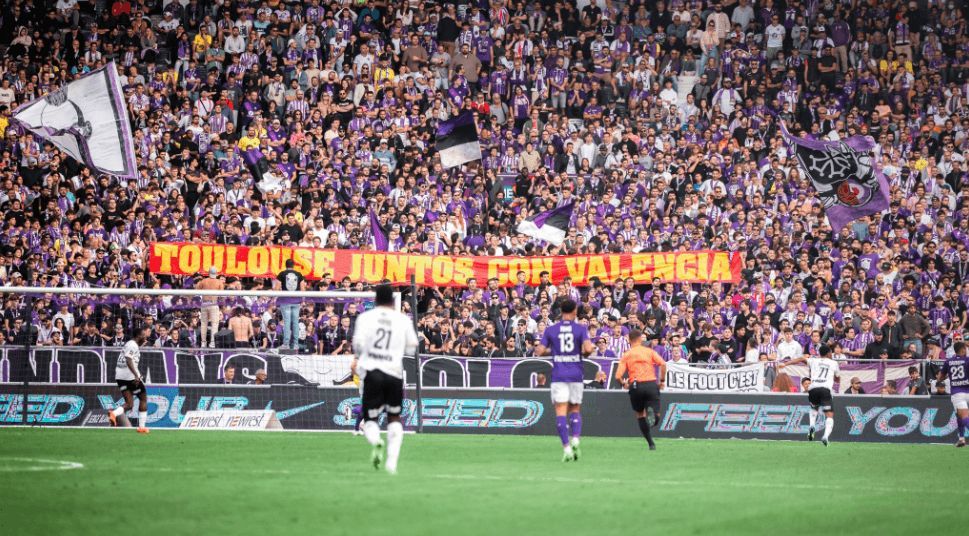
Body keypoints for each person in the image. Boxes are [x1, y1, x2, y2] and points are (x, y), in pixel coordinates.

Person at [352, 284, 419, 474]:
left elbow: (357, 345)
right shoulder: (402, 319)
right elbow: (412, 346)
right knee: (394, 417)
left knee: (370, 418)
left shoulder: (365, 318)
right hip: (394, 373)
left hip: (372, 372)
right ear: (392, 299)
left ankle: (376, 441)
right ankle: (392, 462)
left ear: (376, 299)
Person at [535, 299, 594, 462]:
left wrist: (554, 351)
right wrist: (582, 355)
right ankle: (576, 438)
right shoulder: (580, 329)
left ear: (561, 311)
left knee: (560, 411)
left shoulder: (551, 330)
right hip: (576, 374)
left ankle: (567, 448)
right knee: (575, 409)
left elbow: (539, 351)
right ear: (575, 311)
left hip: (559, 375)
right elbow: (589, 349)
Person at [614, 330, 666, 451]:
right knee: (655, 414)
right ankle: (653, 418)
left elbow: (617, 376)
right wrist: (662, 381)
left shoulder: (627, 354)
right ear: (640, 339)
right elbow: (663, 364)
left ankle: (651, 443)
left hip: (635, 385)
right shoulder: (649, 351)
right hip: (650, 384)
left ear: (629, 340)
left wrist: (623, 384)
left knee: (639, 414)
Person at [779, 345, 840, 446]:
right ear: (829, 353)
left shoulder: (813, 360)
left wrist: (785, 364)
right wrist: (834, 378)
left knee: (814, 407)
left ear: (819, 353)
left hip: (813, 389)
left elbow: (801, 358)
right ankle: (825, 436)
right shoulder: (834, 363)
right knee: (829, 415)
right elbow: (837, 378)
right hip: (825, 389)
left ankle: (812, 426)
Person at [107, 326, 150, 433]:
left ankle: (114, 414)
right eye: (144, 335)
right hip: (130, 377)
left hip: (120, 377)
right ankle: (142, 427)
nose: (145, 337)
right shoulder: (132, 345)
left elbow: (130, 355)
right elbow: (128, 359)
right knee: (143, 398)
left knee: (129, 404)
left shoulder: (130, 344)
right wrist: (136, 375)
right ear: (138, 335)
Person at [937, 341, 969, 447]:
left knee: (963, 416)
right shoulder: (967, 360)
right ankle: (961, 439)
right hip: (967, 391)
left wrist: (948, 375)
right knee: (959, 416)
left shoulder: (948, 362)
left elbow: (940, 377)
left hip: (957, 393)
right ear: (963, 349)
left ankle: (961, 438)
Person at [275, 259, 305, 350]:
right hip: (296, 301)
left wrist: (275, 297)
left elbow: (277, 288)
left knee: (287, 322)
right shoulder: (299, 274)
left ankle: (286, 344)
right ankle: (295, 344)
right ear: (294, 266)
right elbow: (302, 288)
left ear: (285, 265)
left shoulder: (281, 274)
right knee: (295, 322)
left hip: (285, 300)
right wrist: (303, 300)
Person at [196, 266, 225, 348]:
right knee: (214, 324)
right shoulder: (219, 282)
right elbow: (222, 296)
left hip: (204, 304)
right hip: (213, 304)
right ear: (216, 273)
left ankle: (203, 343)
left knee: (204, 324)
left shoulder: (204, 281)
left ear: (209, 273)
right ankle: (212, 343)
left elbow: (197, 288)